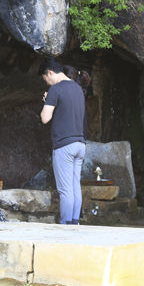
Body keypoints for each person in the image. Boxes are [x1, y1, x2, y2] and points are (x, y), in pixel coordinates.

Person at [41, 58, 87, 225]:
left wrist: (47, 101)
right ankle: (74, 222)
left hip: (64, 145)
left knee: (65, 189)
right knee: (75, 186)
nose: (47, 83)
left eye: (45, 79)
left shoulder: (55, 89)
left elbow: (45, 118)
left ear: (50, 73)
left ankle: (65, 225)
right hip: (80, 144)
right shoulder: (78, 89)